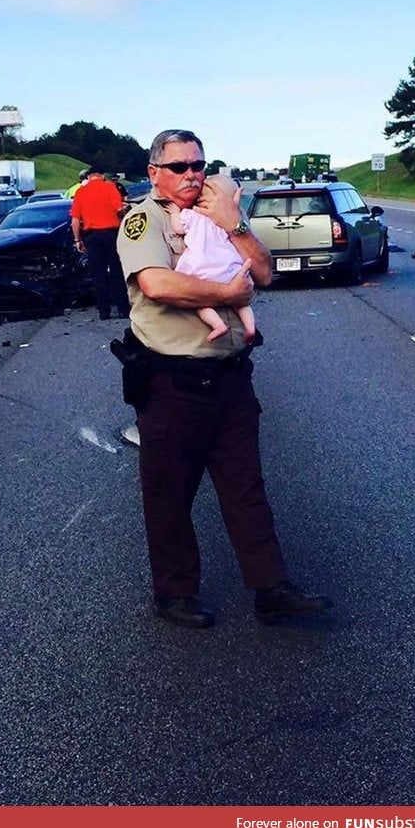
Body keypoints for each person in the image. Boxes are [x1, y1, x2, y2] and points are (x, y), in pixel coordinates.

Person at [115, 128, 333, 629]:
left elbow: (264, 272)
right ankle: (173, 594)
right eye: (178, 167)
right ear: (154, 173)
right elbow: (156, 282)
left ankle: (270, 587)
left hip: (232, 379)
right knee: (170, 494)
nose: (191, 174)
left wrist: (235, 225)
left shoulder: (222, 212)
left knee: (246, 487)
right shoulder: (144, 220)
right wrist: (228, 292)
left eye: (198, 165)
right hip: (173, 385)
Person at [168, 173, 256, 344]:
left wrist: (173, 213)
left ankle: (218, 325)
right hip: (229, 268)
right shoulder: (229, 217)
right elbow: (235, 208)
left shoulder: (193, 215)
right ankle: (250, 327)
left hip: (201, 269)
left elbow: (178, 228)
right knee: (241, 303)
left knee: (200, 303)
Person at [71, 165, 130, 321]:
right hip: (112, 234)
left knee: (98, 275)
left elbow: (75, 220)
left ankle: (104, 312)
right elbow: (120, 210)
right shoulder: (110, 188)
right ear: (103, 175)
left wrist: (77, 239)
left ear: (89, 176)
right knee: (117, 272)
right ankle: (123, 309)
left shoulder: (80, 192)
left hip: (92, 237)